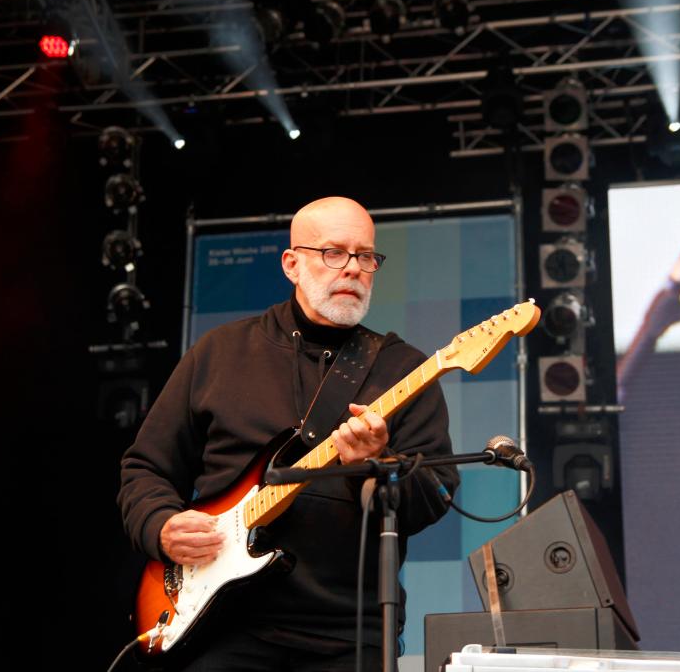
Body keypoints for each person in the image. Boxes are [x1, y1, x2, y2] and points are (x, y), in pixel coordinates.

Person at [118, 196, 458, 671]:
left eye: (365, 256)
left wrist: (376, 464)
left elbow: (433, 499)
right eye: (334, 252)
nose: (354, 269)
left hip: (348, 631)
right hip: (222, 624)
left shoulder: (403, 370)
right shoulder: (221, 352)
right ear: (292, 264)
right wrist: (160, 526)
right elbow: (146, 467)